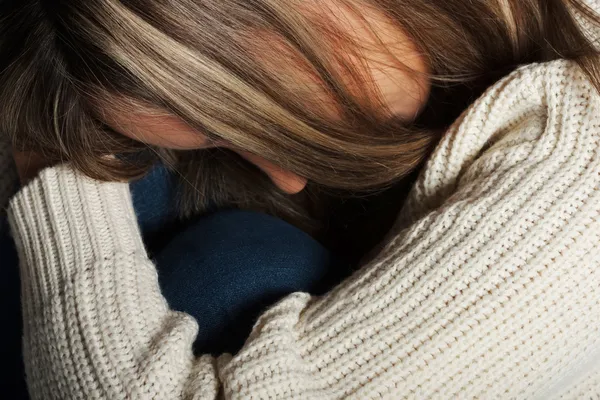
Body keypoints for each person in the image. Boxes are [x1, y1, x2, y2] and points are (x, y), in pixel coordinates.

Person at [2, 0, 600, 398]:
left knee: (238, 270)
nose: (289, 178)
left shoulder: (574, 180)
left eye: (249, 117)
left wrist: (51, 170)